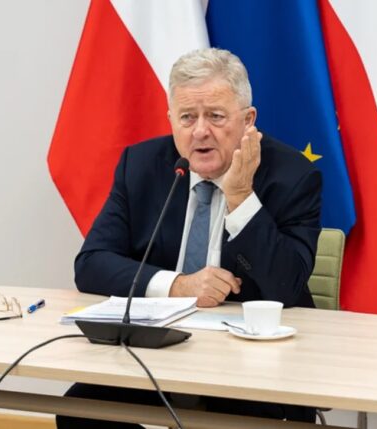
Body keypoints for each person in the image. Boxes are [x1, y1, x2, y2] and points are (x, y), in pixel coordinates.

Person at [57, 47, 322, 428]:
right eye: (187, 117)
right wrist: (179, 286)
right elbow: (92, 264)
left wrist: (241, 196)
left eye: (215, 116)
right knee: (80, 412)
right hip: (161, 350)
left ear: (248, 120)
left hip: (254, 364)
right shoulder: (142, 165)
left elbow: (286, 284)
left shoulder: (291, 175)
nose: (199, 131)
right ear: (171, 120)